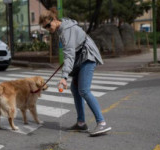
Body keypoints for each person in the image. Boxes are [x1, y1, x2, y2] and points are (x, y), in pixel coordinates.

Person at [39, 7, 111, 136]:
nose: (48, 29)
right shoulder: (62, 28)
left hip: (87, 57)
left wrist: (64, 77)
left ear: (54, 19)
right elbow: (71, 52)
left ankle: (101, 123)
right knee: (75, 89)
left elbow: (69, 55)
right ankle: (81, 123)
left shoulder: (66, 30)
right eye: (45, 28)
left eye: (49, 25)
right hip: (80, 59)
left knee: (84, 90)